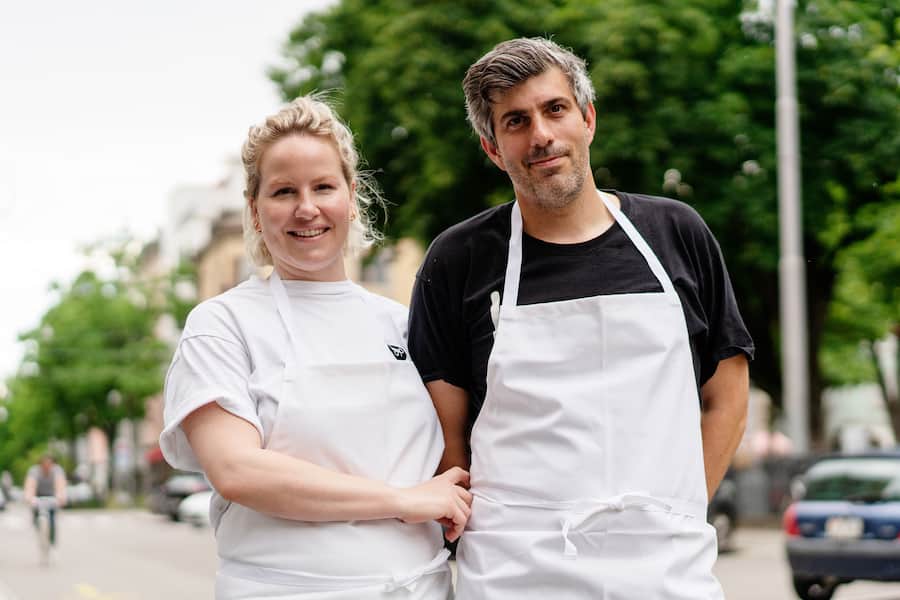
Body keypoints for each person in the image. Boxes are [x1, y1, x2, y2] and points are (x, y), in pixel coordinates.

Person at [408, 37, 754, 599]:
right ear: (492, 148)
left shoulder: (676, 233)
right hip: (514, 573)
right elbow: (447, 441)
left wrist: (680, 509)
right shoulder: (459, 259)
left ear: (588, 118)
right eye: (516, 121)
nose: (541, 135)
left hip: (665, 570)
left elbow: (728, 397)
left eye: (555, 109)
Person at [160, 96, 471, 600]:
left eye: (323, 187)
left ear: (352, 196)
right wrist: (401, 501)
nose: (307, 208)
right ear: (255, 210)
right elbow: (238, 471)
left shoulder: (403, 325)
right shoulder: (223, 325)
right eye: (284, 191)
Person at [24, 454, 67, 546]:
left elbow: (60, 485)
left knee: (52, 519)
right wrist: (29, 497)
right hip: (38, 496)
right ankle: (40, 530)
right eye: (44, 464)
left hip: (52, 496)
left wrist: (61, 497)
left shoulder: (57, 470)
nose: (47, 466)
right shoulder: (34, 471)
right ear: (40, 464)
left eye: (49, 464)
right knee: (36, 517)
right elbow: (30, 486)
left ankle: (52, 538)